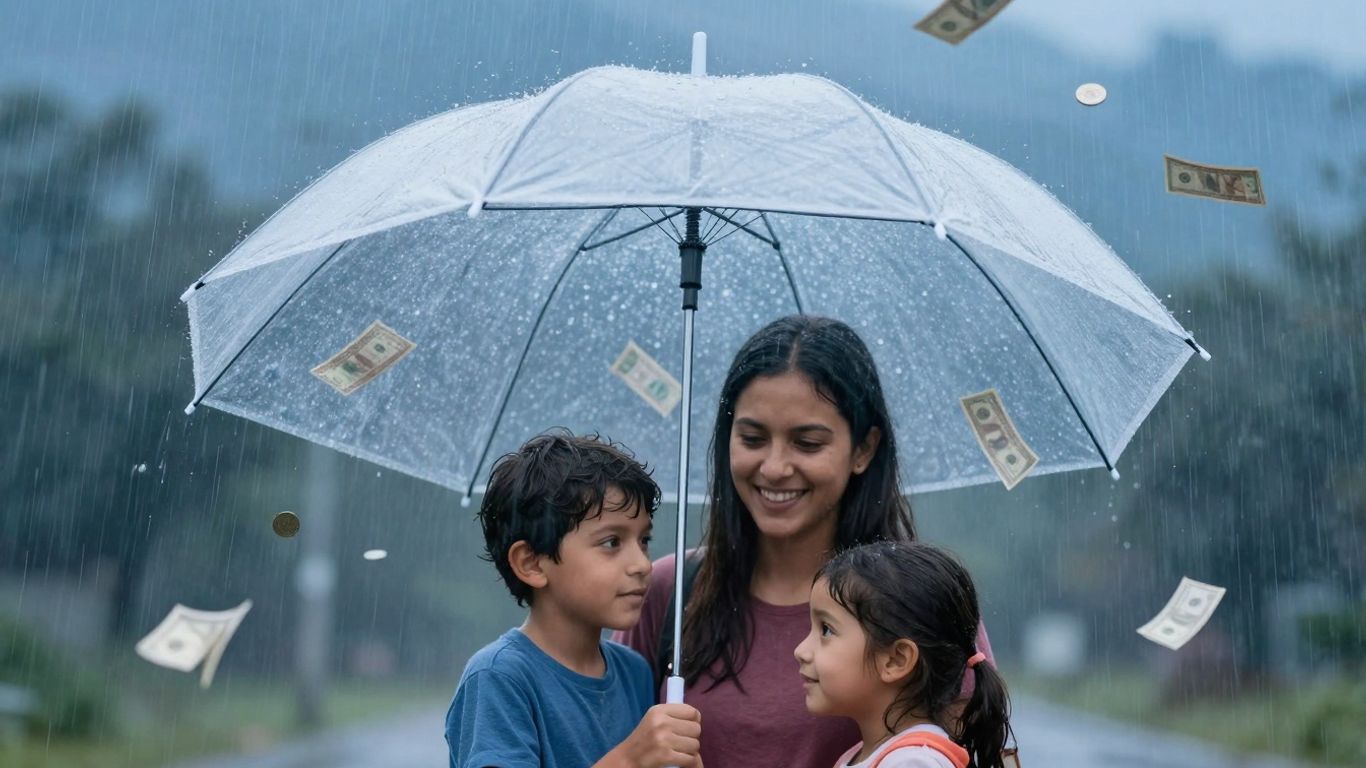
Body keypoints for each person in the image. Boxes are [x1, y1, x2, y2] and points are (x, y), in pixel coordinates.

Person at [615, 315, 994, 768]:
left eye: (807, 443)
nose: (774, 467)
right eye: (753, 438)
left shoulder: (918, 603)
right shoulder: (668, 591)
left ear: (863, 449)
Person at [446, 432, 704, 768]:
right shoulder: (500, 678)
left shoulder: (635, 672)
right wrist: (630, 759)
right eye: (612, 542)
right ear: (531, 563)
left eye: (643, 540)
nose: (642, 565)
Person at [795, 541, 1011, 768]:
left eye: (827, 630)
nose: (800, 651)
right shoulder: (872, 756)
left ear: (896, 659)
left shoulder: (912, 762)